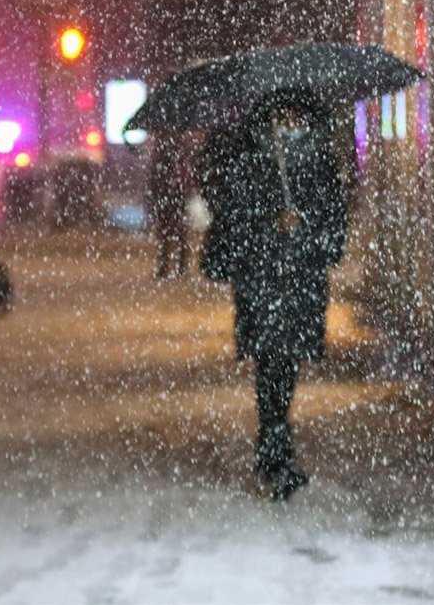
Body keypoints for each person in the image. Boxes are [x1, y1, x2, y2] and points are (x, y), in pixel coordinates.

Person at [199, 90, 349, 500]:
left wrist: (304, 229)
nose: (290, 121)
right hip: (264, 281)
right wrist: (271, 226)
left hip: (299, 282)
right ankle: (276, 454)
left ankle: (274, 447)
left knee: (285, 367)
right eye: (282, 114)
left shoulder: (319, 162)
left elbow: (334, 227)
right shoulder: (251, 161)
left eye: (297, 113)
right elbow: (234, 217)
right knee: (272, 365)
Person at [147, 130, 190, 278]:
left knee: (168, 228)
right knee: (175, 228)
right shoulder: (177, 142)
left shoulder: (165, 145)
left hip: (168, 190)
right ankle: (177, 265)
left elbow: (156, 172)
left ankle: (168, 264)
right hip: (172, 190)